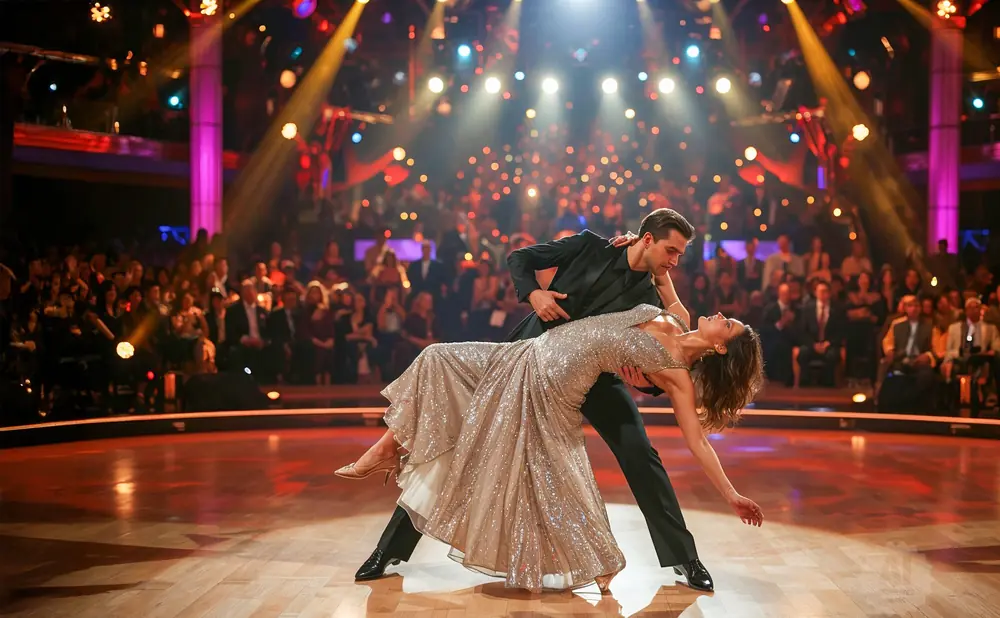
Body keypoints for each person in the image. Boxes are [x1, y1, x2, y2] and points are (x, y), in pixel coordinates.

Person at [351, 209, 727, 592]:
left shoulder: (650, 295)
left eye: (679, 254)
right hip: (533, 357)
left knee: (641, 455)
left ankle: (685, 559)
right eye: (671, 250)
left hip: (597, 381)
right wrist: (534, 294)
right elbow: (520, 259)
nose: (675, 261)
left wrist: (645, 385)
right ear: (647, 239)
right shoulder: (589, 246)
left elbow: (661, 356)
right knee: (467, 441)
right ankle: (388, 551)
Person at [337, 305, 764, 593]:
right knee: (437, 358)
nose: (722, 314)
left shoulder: (677, 376)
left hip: (551, 386)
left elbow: (698, 441)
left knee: (548, 473)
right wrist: (635, 240)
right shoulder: (674, 314)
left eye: (727, 325)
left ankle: (602, 557)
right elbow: (660, 257)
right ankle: (386, 451)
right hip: (529, 351)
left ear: (721, 346)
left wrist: (732, 495)